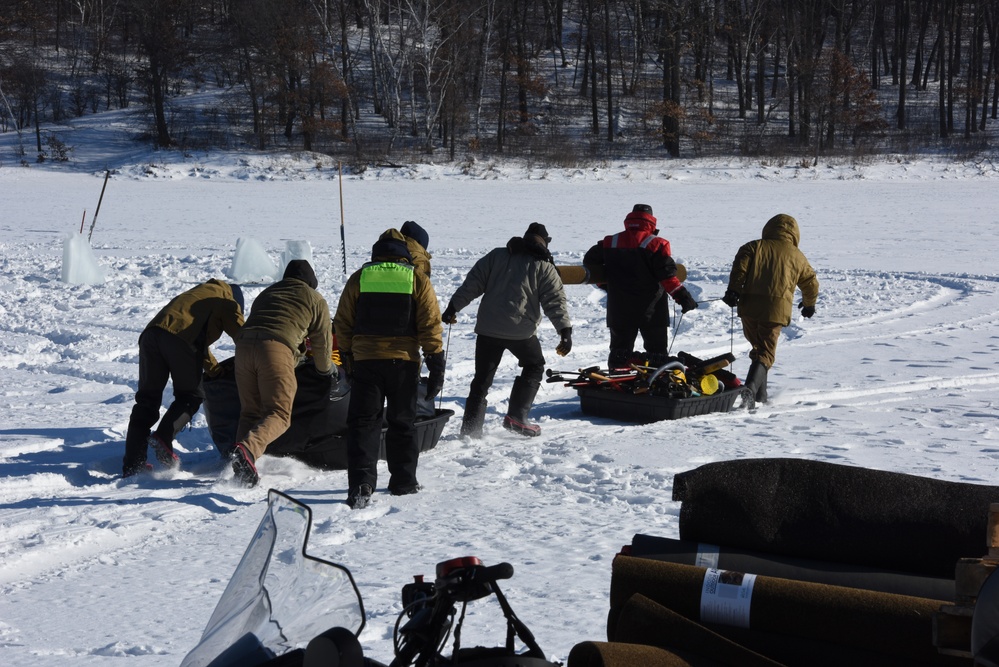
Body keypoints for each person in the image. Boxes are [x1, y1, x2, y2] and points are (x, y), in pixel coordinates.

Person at [334, 229, 444, 509]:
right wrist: (435, 359)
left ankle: (361, 483)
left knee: (363, 424)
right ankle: (404, 482)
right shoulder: (415, 277)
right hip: (404, 363)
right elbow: (429, 321)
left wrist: (347, 354)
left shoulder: (360, 277)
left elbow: (343, 322)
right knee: (402, 423)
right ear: (404, 253)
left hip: (366, 362)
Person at [442, 222, 571, 439]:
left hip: (487, 329)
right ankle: (517, 417)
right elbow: (555, 302)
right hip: (520, 333)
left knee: (481, 381)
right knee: (534, 365)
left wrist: (453, 307)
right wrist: (565, 331)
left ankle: (471, 431)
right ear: (544, 242)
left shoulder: (496, 256)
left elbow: (472, 284)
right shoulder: (544, 266)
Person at [123, 279, 244, 477]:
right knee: (191, 396)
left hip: (150, 335)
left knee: (146, 402)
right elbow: (242, 334)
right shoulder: (226, 299)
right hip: (179, 340)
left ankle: (132, 465)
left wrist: (214, 370)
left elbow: (198, 344)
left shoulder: (198, 294)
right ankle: (164, 436)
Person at [231, 259, 334, 487]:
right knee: (279, 413)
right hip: (275, 349)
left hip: (243, 348)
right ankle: (247, 450)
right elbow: (322, 343)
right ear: (310, 282)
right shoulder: (315, 299)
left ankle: (241, 464)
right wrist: (325, 370)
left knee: (250, 412)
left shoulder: (267, 292)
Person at [583, 204, 698, 369]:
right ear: (651, 221)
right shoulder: (657, 244)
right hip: (652, 311)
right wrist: (683, 297)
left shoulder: (610, 241)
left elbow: (589, 262)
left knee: (619, 353)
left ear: (629, 220)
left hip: (619, 309)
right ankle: (654, 389)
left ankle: (616, 387)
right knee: (656, 354)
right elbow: (667, 276)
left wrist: (607, 285)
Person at [723, 213, 819, 404]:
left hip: (749, 306)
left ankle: (760, 396)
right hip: (775, 308)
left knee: (759, 349)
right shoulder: (797, 256)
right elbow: (811, 284)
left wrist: (734, 290)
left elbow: (740, 267)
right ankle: (750, 388)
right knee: (766, 353)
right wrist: (809, 305)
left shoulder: (753, 246)